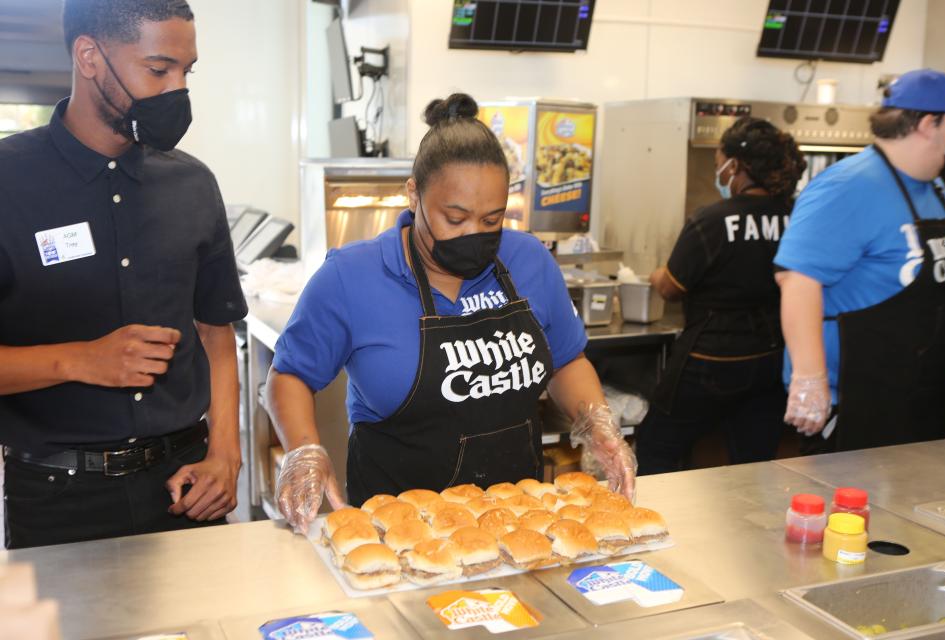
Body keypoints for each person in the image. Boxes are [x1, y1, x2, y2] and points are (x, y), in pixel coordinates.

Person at [266, 94, 637, 533]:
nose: (473, 235)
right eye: (455, 218)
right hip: (398, 524)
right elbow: (289, 375)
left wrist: (596, 421)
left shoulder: (529, 260)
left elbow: (565, 359)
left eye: (491, 220)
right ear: (413, 194)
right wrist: (305, 450)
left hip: (517, 519)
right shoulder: (352, 277)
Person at [0, 0, 247, 549]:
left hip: (184, 484)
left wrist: (225, 455)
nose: (177, 91)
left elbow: (216, 333)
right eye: (159, 70)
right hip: (57, 498)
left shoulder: (193, 184)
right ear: (89, 56)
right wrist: (80, 360)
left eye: (186, 73)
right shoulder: (8, 183)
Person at [775, 68, 945, 453]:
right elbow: (797, 281)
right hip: (861, 402)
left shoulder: (936, 187)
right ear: (929, 123)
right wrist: (810, 380)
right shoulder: (848, 186)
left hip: (925, 392)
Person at [635, 118, 805, 474]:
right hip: (772, 360)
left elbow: (671, 288)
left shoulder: (713, 220)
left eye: (719, 167)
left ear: (736, 167)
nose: (719, 176)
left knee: (656, 447)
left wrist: (654, 276)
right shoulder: (797, 216)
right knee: (754, 465)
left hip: (710, 360)